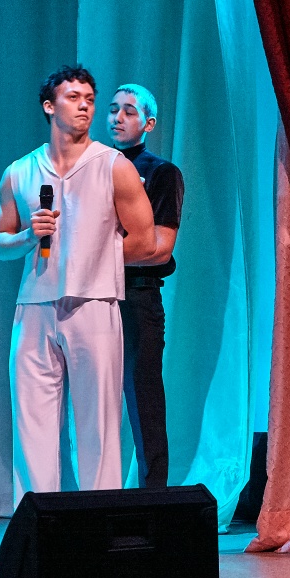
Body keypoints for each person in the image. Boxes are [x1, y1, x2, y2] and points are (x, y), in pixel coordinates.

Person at [0, 65, 155, 506]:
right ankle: (36, 522)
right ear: (49, 106)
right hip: (34, 306)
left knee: (97, 426)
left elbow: (146, 240)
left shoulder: (114, 166)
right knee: (32, 425)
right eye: (73, 98)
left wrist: (94, 257)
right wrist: (28, 236)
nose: (84, 106)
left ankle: (101, 524)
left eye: (89, 99)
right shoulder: (20, 171)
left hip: (94, 304)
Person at [107, 84, 185, 488]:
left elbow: (159, 248)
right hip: (92, 297)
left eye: (129, 111)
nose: (118, 117)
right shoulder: (93, 167)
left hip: (137, 296)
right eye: (113, 109)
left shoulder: (161, 173)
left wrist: (93, 255)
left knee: (144, 400)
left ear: (149, 124)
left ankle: (153, 495)